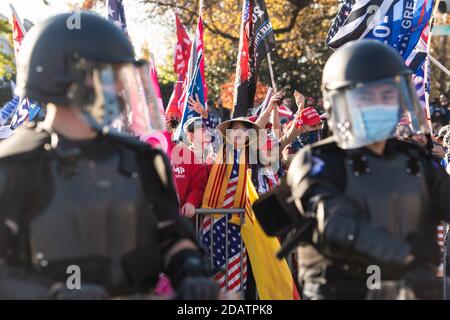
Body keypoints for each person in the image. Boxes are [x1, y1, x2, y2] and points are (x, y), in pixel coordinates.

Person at [0, 12, 218, 300]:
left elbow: (172, 234)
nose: (120, 88)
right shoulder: (16, 167)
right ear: (66, 79)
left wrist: (190, 272)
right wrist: (54, 294)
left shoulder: (140, 160)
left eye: (122, 76)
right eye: (110, 76)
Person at [255, 40, 450, 300]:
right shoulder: (317, 162)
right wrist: (403, 258)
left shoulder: (416, 161)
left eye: (389, 95)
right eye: (369, 97)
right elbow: (337, 221)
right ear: (341, 101)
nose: (382, 105)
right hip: (339, 292)